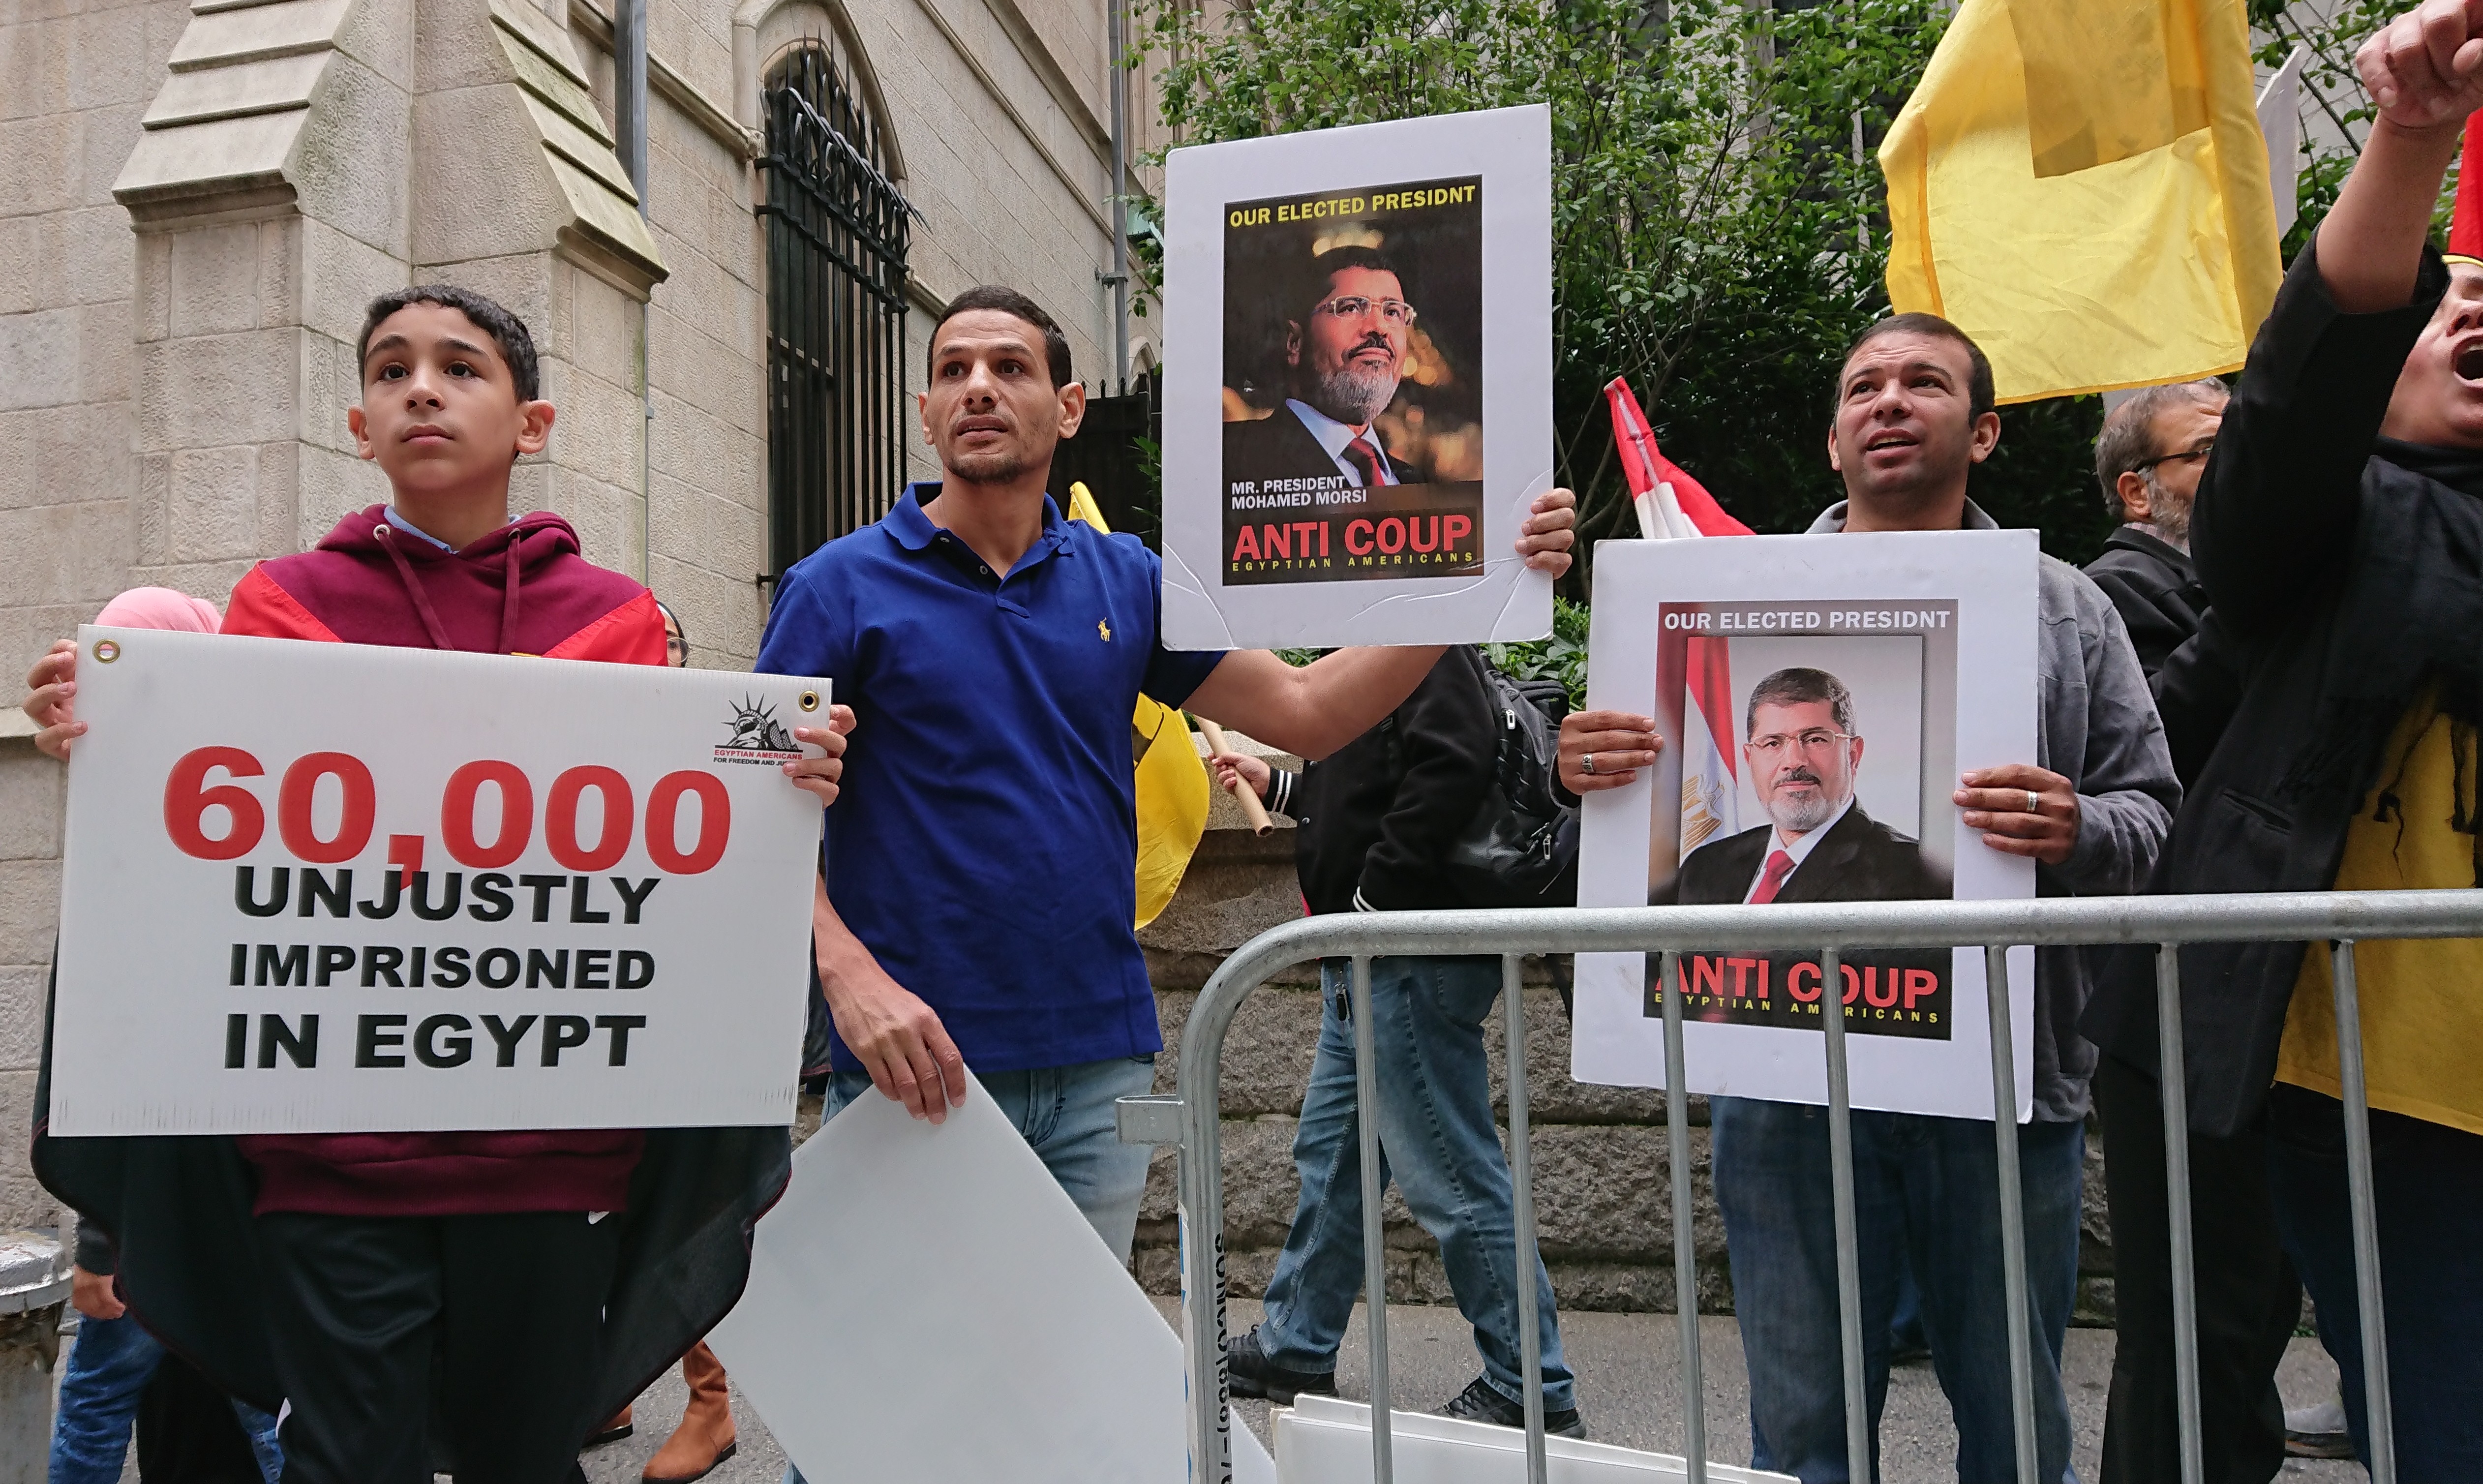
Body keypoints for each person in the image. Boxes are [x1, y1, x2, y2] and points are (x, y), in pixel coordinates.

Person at [23, 284, 850, 1484]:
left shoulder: (615, 621)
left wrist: (785, 781)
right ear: (359, 423)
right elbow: (215, 847)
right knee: (348, 1463)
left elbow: (675, 866)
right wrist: (111, 742)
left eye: (461, 368)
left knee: (528, 1460)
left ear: (532, 423)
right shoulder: (279, 607)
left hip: (553, 1156)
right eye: (391, 368)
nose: (423, 388)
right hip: (328, 1157)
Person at [753, 286, 1572, 1483]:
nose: (979, 386)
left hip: (1097, 1069)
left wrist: (1483, 578)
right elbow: (747, 815)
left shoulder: (1127, 579)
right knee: (878, 1427)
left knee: (1043, 1417)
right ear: (926, 409)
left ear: (1068, 405)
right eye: (955, 367)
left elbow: (1305, 708)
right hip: (909, 1070)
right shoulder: (835, 587)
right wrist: (846, 976)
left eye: (1011, 366)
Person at [1561, 313, 2178, 1484]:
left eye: (1924, 382)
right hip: (1784, 1094)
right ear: (1834, 438)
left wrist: (2078, 826)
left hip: (1999, 1088)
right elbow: (1621, 838)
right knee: (1803, 1435)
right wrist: (1588, 775)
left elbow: (2155, 818)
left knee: (2016, 1426)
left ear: (1982, 432)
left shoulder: (2063, 609)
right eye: (1864, 387)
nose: (1889, 401)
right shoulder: (1718, 604)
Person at [2081, 7, 2483, 1470]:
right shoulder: (2310, 525)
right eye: (2441, 307)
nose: (2473, 321)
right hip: (2382, 1098)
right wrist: (2412, 137)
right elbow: (2307, 380)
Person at [1206, 646, 1585, 1437]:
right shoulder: (1389, 649)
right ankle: (1295, 1342)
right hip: (1378, 954)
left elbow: (1454, 762)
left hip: (1399, 954)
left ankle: (1528, 1382)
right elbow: (1371, 785)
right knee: (1336, 1157)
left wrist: (1374, 904)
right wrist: (1278, 786)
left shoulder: (1421, 637)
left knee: (1450, 1171)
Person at [1667, 666, 1948, 907]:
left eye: (1815, 739)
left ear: (1853, 755)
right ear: (1750, 759)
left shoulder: (1916, 874)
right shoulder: (1704, 867)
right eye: (1773, 743)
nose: (1794, 761)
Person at [1223, 246, 1426, 492]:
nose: (1379, 328)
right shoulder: (1231, 461)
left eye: (1392, 312)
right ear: (1295, 343)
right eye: (1350, 308)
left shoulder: (1419, 486)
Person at [2084, 380, 2226, 680]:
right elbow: (2149, 707)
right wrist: (2251, 603)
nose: (2238, 462)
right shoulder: (2111, 589)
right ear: (2138, 493)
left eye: (2239, 444)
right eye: (2208, 450)